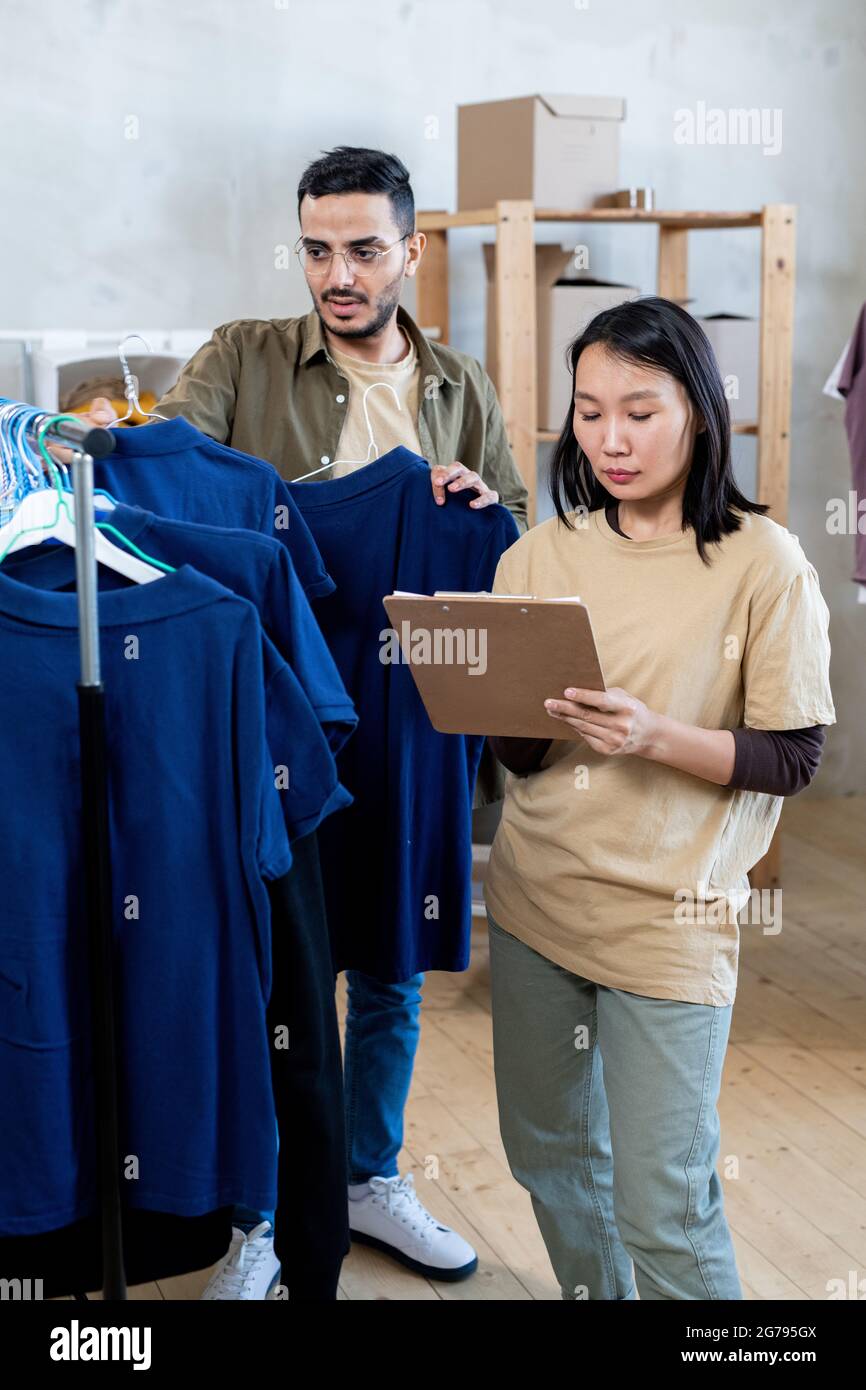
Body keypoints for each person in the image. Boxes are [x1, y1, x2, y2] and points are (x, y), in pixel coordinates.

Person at [83, 146, 528, 1296]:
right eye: (317, 248)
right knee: (277, 967)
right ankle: (263, 1213)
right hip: (271, 712)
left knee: (387, 966)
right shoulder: (241, 357)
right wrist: (105, 433)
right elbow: (164, 469)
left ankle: (371, 1172)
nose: (337, 273)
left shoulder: (460, 389)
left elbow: (518, 539)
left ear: (410, 252)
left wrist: (482, 507)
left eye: (363, 249)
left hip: (412, 712)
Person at [483, 296, 836, 1300]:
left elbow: (792, 754)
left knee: (665, 1206)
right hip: (534, 901)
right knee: (548, 1157)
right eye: (588, 412)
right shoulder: (537, 556)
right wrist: (490, 699)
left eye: (638, 410)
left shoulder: (762, 564)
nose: (609, 438)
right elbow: (520, 755)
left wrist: (653, 736)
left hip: (669, 920)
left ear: (697, 408)